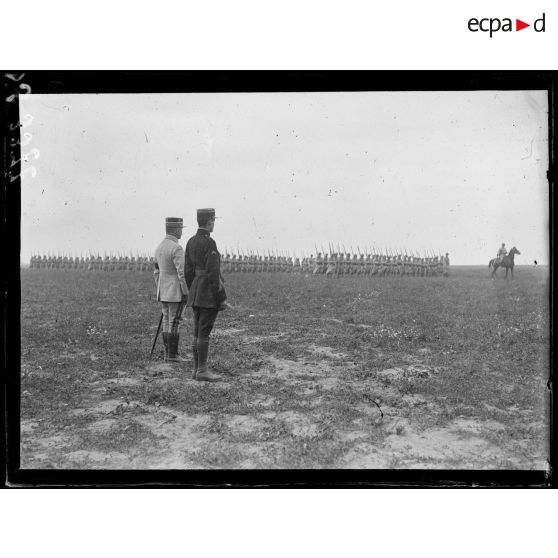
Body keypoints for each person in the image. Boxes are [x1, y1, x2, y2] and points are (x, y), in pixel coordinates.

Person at [184, 208, 227, 382]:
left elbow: (188, 271)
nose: (214, 224)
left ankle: (196, 369)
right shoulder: (210, 243)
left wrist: (194, 288)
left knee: (197, 332)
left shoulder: (190, 241)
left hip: (195, 291)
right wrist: (221, 297)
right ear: (209, 222)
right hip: (208, 294)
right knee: (204, 332)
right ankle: (202, 370)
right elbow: (213, 273)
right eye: (213, 221)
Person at [154, 217, 188, 362]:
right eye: (180, 229)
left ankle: (169, 354)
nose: (181, 232)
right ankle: (172, 355)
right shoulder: (177, 248)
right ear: (175, 229)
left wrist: (160, 288)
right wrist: (186, 292)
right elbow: (182, 273)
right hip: (176, 292)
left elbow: (156, 272)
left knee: (167, 321)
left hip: (163, 292)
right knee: (175, 322)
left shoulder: (159, 247)